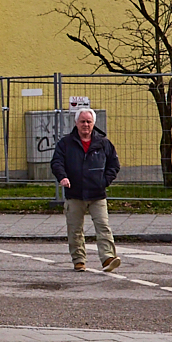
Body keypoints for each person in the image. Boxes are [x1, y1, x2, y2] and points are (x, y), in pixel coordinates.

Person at [52, 106, 120, 271]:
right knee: (75, 229)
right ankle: (79, 260)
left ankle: (107, 258)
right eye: (82, 121)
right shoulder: (65, 143)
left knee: (103, 226)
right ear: (76, 123)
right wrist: (63, 177)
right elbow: (56, 162)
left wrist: (104, 181)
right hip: (74, 193)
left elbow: (114, 165)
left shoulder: (103, 143)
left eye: (89, 121)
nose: (86, 125)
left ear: (93, 123)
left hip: (97, 194)